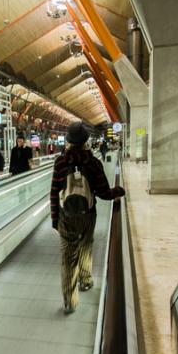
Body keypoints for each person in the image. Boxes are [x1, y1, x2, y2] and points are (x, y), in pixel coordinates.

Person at [50, 121, 125, 315]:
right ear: (86, 141)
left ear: (68, 141)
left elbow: (53, 193)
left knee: (68, 257)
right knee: (85, 246)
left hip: (66, 216)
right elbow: (103, 192)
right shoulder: (93, 163)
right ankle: (86, 280)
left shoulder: (60, 162)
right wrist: (120, 190)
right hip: (87, 214)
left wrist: (54, 219)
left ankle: (70, 301)